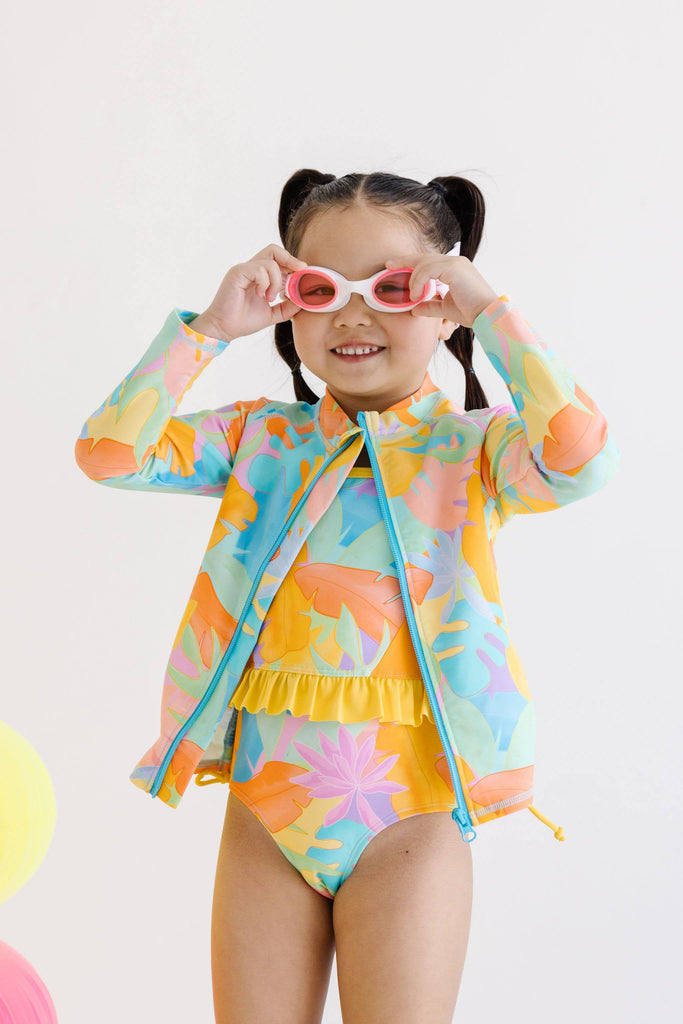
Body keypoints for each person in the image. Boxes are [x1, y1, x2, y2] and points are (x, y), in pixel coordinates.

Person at [75, 168, 619, 1024]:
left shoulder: (473, 453)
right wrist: (210, 329)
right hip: (267, 807)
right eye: (321, 290)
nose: (353, 315)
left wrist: (491, 311)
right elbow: (110, 454)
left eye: (393, 288)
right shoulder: (258, 440)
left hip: (410, 815)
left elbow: (579, 458)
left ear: (442, 305)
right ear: (287, 306)